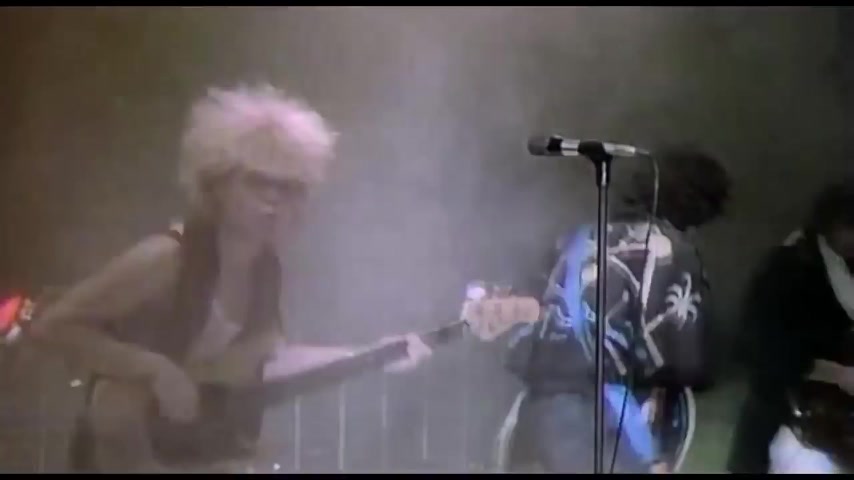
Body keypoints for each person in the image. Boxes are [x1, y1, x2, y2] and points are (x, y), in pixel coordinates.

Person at [28, 84, 432, 473]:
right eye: (258, 181)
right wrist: (152, 368)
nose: (274, 198)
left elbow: (268, 359)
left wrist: (372, 354)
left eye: (289, 187)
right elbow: (54, 325)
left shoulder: (265, 270)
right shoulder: (168, 257)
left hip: (187, 454)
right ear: (218, 184)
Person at [471, 144, 731, 473]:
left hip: (540, 410)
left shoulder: (576, 240)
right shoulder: (671, 249)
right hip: (617, 416)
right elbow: (687, 359)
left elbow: (530, 318)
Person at [727, 177, 854, 474]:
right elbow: (762, 346)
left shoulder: (843, 265)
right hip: (789, 409)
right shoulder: (789, 268)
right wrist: (837, 374)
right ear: (833, 227)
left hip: (834, 414)